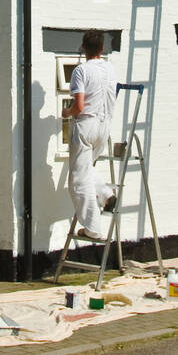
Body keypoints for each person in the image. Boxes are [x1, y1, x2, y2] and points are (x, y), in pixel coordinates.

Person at [61, 30, 118, 240]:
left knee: (77, 180)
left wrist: (66, 112)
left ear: (84, 47)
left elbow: (79, 106)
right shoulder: (111, 69)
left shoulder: (81, 71)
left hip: (86, 125)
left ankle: (92, 228)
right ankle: (106, 195)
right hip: (105, 127)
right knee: (85, 170)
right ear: (102, 48)